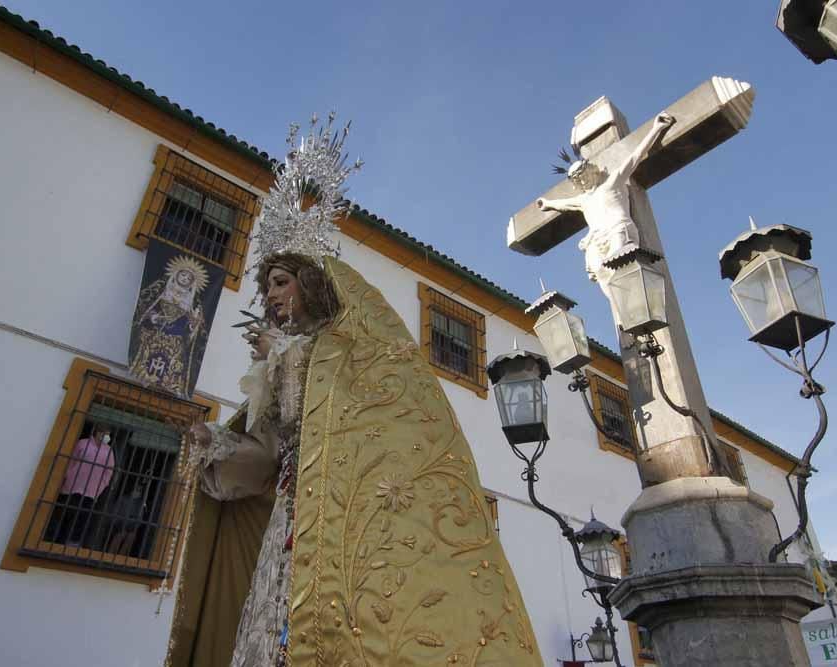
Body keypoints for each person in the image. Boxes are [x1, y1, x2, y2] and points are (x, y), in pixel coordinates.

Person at [164, 117, 542, 667]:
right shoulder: (276, 367)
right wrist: (215, 445)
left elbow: (373, 412)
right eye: (265, 285)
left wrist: (289, 360)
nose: (270, 296)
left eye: (281, 282)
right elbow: (267, 459)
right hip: (289, 529)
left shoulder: (347, 351)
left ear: (312, 285)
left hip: (344, 533)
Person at [537, 111, 675, 295]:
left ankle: (636, 303)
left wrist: (656, 128)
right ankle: (623, 310)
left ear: (592, 171)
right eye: (577, 180)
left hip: (618, 228)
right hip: (596, 239)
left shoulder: (612, 182)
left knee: (619, 267)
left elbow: (635, 157)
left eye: (583, 174)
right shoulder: (583, 199)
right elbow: (564, 204)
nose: (582, 180)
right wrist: (548, 203)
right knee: (601, 273)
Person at [44, 423, 115, 546]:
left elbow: (108, 471)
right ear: (96, 432)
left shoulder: (108, 451)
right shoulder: (83, 443)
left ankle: (72, 545)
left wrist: (100, 487)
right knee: (64, 516)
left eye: (108, 434)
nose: (106, 436)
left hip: (91, 491)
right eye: (103, 433)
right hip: (72, 486)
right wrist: (67, 476)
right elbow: (71, 461)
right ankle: (54, 542)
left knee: (81, 519)